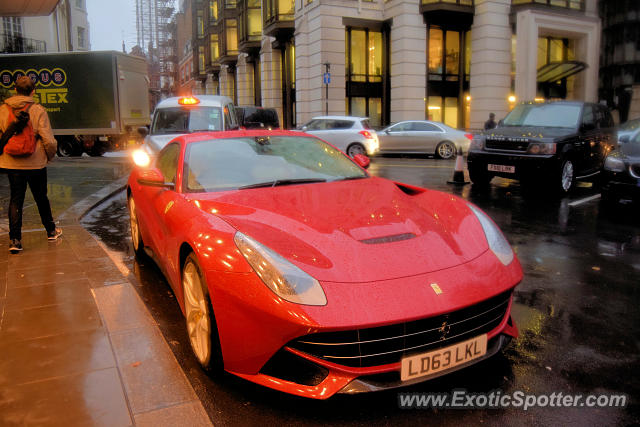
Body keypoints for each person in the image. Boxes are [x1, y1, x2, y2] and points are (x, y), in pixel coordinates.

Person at [0, 76, 60, 254]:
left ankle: (15, 240)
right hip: (35, 163)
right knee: (41, 197)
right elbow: (48, 140)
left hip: (11, 162)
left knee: (15, 199)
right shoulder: (38, 110)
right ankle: (50, 231)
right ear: (33, 91)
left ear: (15, 89)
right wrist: (48, 156)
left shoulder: (3, 109)